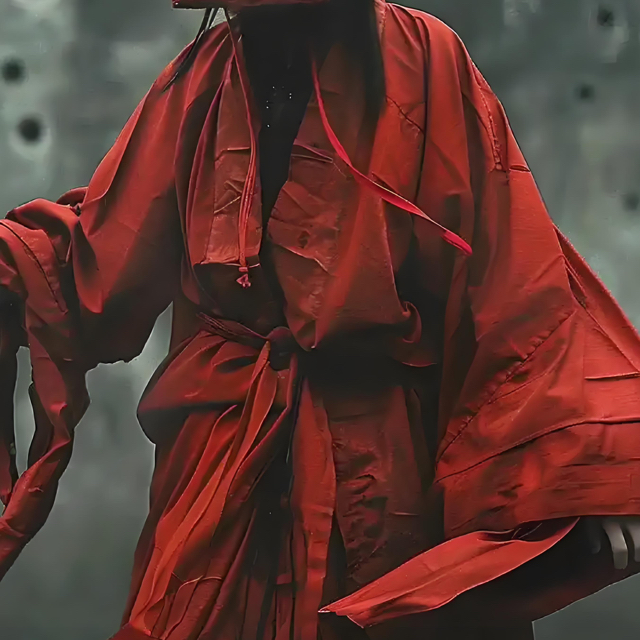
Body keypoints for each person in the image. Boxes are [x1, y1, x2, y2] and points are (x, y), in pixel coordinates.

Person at [1, 0, 640, 638]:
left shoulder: (424, 60)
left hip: (382, 479)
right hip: (222, 480)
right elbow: (99, 259)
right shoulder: (202, 79)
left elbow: (514, 292)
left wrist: (589, 476)